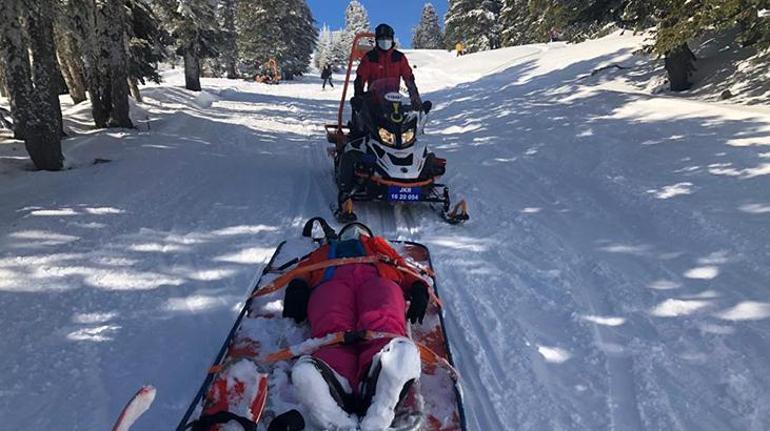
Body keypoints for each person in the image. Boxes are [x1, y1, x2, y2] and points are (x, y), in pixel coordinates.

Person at [276, 223, 429, 430]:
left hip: (377, 279)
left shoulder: (380, 247)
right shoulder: (325, 251)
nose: (355, 233)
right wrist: (298, 286)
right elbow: (304, 269)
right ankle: (335, 374)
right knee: (332, 319)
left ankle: (384, 362)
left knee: (382, 313)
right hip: (332, 282)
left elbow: (403, 267)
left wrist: (418, 286)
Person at [353, 23, 423, 112]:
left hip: (394, 102)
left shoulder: (398, 57)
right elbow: (360, 79)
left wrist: (415, 99)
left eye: (388, 39)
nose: (385, 41)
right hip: (374, 103)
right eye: (382, 39)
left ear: (392, 40)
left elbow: (408, 78)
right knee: (365, 118)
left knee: (403, 120)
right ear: (377, 41)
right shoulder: (370, 58)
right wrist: (359, 97)